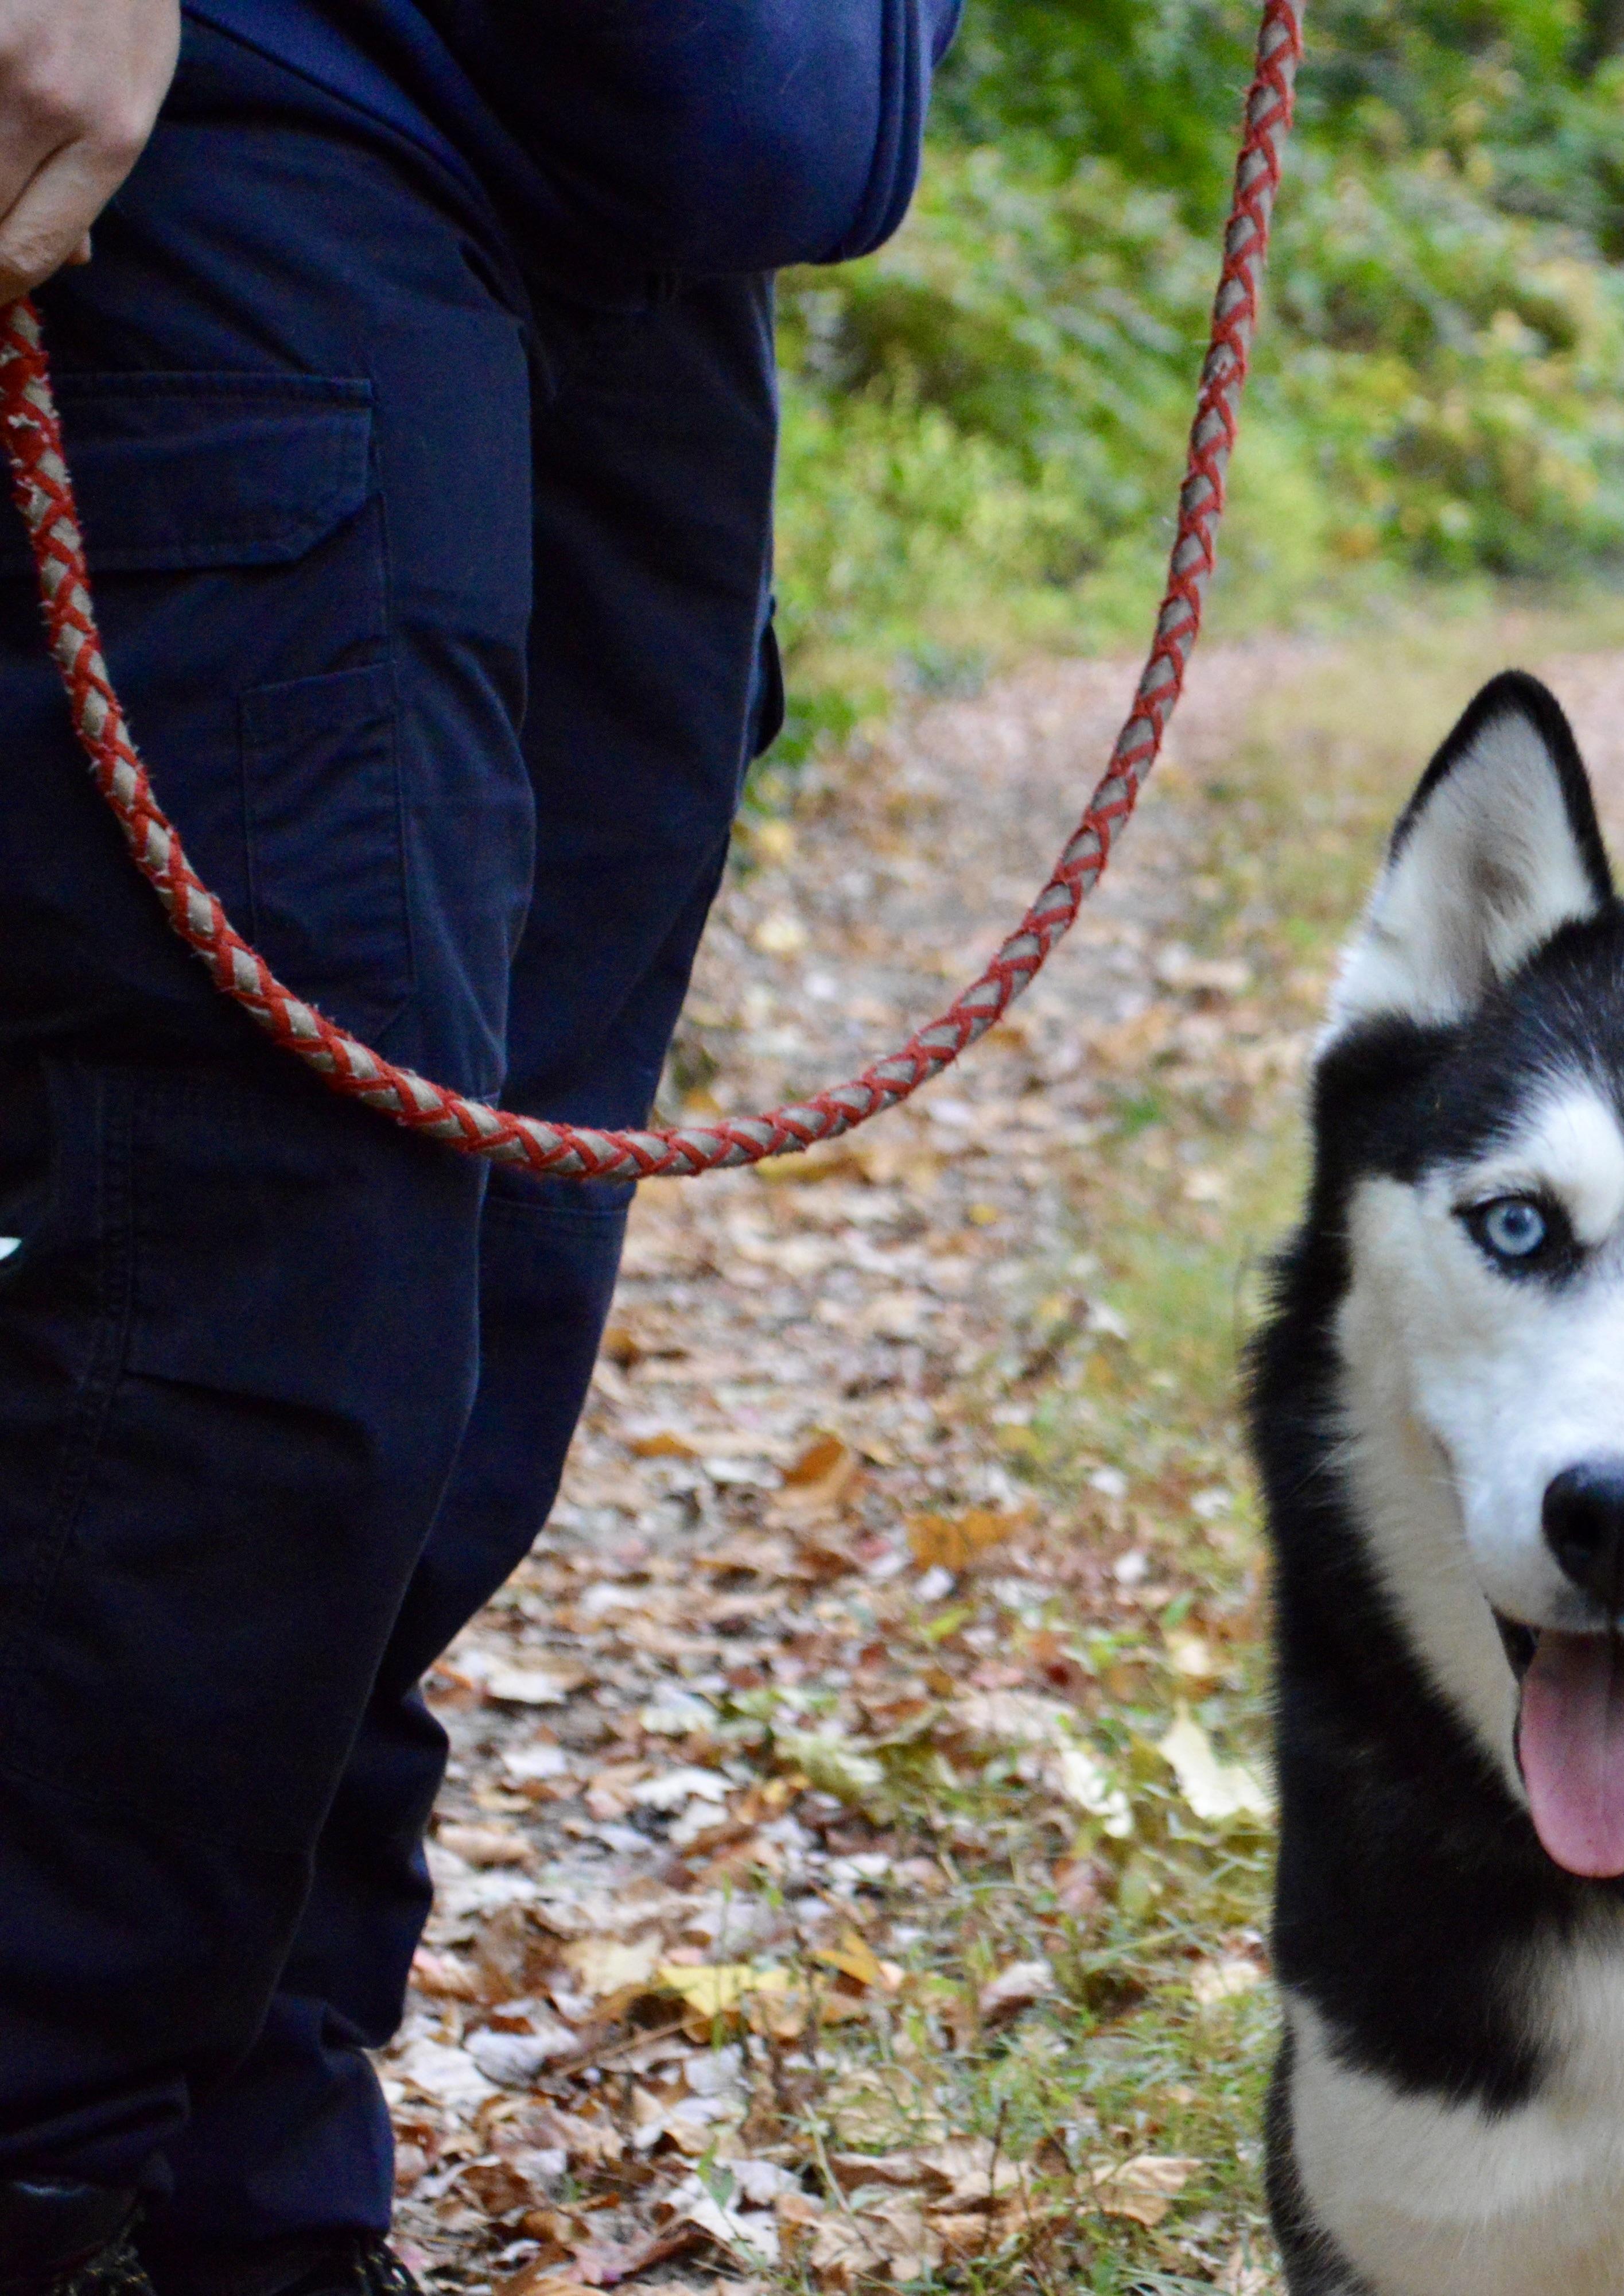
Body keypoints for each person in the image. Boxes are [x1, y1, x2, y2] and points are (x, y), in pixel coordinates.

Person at [0, 2, 959, 2290]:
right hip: (261, 111)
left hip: (651, 208)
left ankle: (238, 2202)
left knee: (470, 1356)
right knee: (255, 1315)